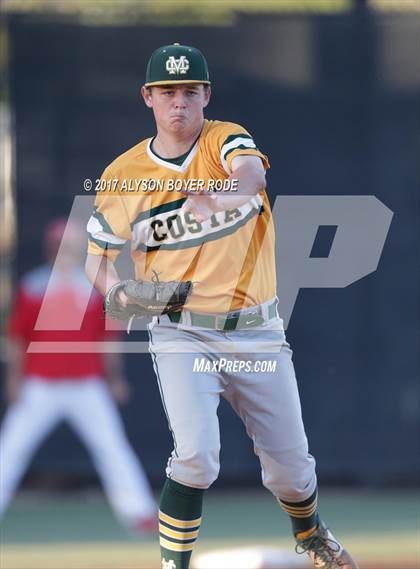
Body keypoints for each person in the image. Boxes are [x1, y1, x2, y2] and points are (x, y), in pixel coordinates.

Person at [85, 44, 358, 569]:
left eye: (190, 91)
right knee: (196, 457)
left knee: (292, 470)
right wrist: (118, 295)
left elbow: (252, 177)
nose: (179, 103)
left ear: (206, 95)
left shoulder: (224, 138)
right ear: (148, 97)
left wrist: (213, 198)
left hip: (256, 330)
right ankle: (174, 565)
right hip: (183, 332)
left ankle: (311, 534)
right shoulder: (123, 176)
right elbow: (97, 261)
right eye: (167, 92)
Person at [0, 218, 157, 532]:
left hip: (86, 385)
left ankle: (140, 514)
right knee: (11, 449)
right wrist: (14, 380)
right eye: (60, 246)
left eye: (70, 246)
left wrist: (114, 379)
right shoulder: (33, 287)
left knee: (112, 447)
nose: (65, 251)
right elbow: (18, 340)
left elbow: (106, 339)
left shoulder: (95, 290)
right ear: (50, 249)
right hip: (40, 386)